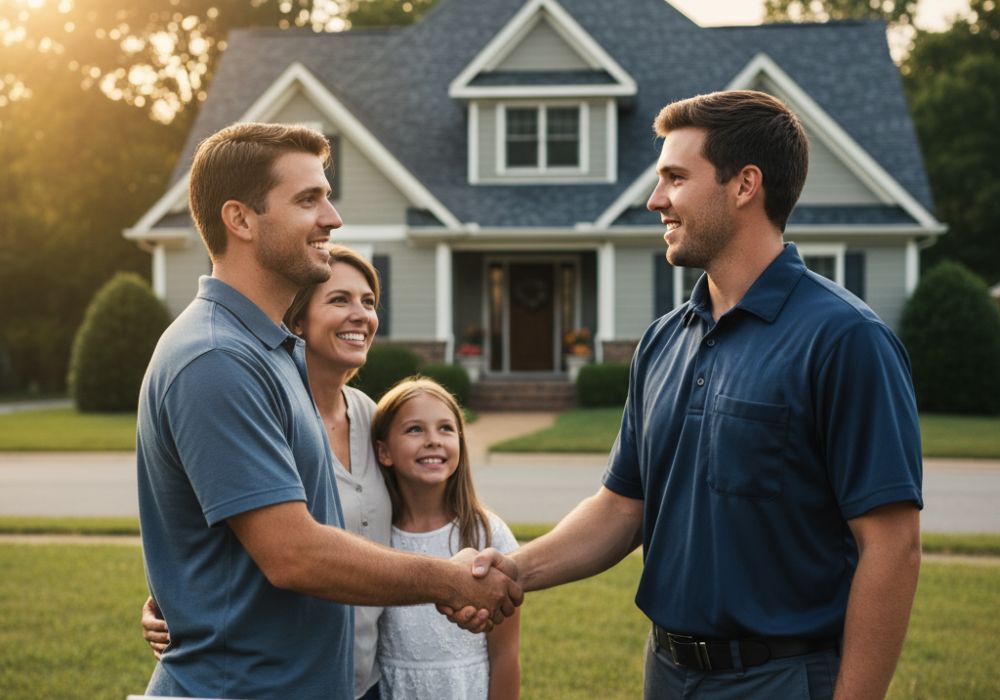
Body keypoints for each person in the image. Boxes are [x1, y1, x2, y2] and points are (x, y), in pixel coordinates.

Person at [456, 90, 923, 699]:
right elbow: (623, 509)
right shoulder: (662, 341)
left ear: (744, 185)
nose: (656, 200)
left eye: (675, 178)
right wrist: (514, 571)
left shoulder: (845, 340)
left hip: (782, 678)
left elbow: (892, 546)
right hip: (668, 672)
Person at [136, 122, 520, 699]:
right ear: (239, 219)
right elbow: (293, 555)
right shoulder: (215, 358)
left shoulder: (275, 353)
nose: (333, 218)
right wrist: (450, 579)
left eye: (328, 196)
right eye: (308, 199)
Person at [140, 244, 391, 700]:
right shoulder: (247, 392)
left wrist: (493, 562)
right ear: (297, 322)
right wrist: (176, 606)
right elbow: (258, 545)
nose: (361, 315)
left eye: (369, 302)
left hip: (365, 678)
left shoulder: (380, 423)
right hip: (258, 682)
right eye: (339, 300)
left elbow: (434, 515)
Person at [372, 378, 520, 700]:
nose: (433, 441)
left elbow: (506, 656)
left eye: (445, 429)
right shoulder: (375, 538)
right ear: (384, 451)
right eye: (414, 429)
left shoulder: (488, 536)